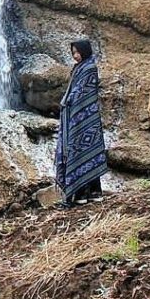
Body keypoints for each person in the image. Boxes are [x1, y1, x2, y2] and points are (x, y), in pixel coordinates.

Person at [55, 39, 108, 207]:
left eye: (77, 52)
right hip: (77, 116)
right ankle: (87, 193)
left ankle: (87, 193)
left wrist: (67, 102)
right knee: (81, 152)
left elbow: (83, 92)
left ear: (85, 51)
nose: (75, 56)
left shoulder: (90, 68)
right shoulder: (79, 68)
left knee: (85, 152)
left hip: (85, 117)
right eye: (73, 53)